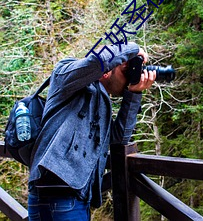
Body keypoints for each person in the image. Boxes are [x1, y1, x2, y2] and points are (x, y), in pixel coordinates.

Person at [28, 42, 156, 221]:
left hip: (73, 197)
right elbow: (97, 62)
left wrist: (134, 94)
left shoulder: (101, 101)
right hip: (58, 195)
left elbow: (118, 138)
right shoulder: (65, 72)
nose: (129, 77)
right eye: (125, 69)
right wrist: (134, 50)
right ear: (108, 68)